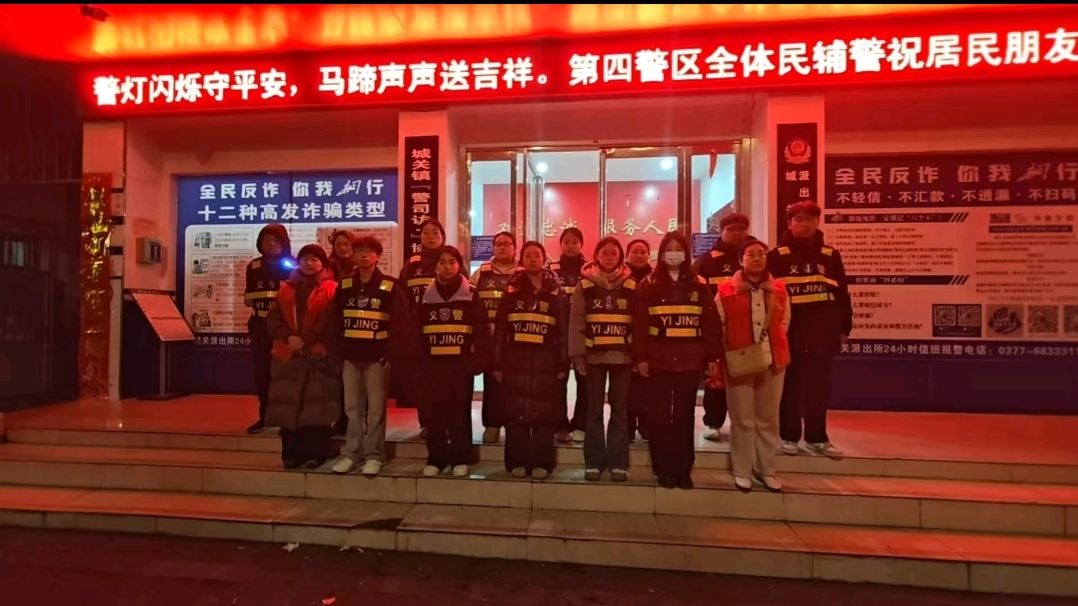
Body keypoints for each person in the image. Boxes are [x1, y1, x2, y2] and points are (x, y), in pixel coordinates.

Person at [632, 231, 723, 490]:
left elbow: (711, 324)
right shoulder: (649, 284)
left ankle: (683, 469)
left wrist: (712, 356)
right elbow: (639, 324)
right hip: (658, 361)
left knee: (684, 416)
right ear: (661, 253)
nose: (674, 253)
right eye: (669, 249)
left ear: (686, 253)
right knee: (659, 416)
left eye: (678, 248)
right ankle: (662, 467)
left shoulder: (698, 284)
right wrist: (641, 357)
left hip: (689, 361)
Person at [768, 201, 852, 459]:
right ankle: (788, 436)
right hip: (789, 332)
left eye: (810, 219)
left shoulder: (830, 255)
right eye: (799, 220)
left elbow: (842, 293)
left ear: (818, 222)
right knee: (789, 387)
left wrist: (845, 326)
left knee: (818, 388)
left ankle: (817, 438)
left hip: (822, 332)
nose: (805, 224)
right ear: (789, 224)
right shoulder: (776, 256)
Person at [712, 239, 791, 492]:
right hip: (739, 362)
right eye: (750, 254)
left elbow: (784, 321)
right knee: (742, 419)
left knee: (768, 418)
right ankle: (742, 470)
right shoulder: (726, 290)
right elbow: (718, 324)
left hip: (773, 361)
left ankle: (767, 469)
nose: (756, 258)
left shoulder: (779, 289)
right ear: (740, 260)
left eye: (761, 254)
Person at [330, 236, 410, 477]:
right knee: (352, 408)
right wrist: (338, 353)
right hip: (350, 356)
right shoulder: (345, 285)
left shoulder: (389, 286)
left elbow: (400, 323)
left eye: (369, 251)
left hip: (377, 358)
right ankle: (352, 453)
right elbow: (334, 321)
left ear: (378, 256)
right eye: (359, 251)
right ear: (353, 256)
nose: (363, 255)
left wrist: (391, 354)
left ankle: (374, 455)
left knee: (375, 409)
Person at [493, 240, 568, 480]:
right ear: (522, 260)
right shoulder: (511, 289)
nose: (532, 259)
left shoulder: (556, 291)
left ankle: (542, 462)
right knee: (516, 409)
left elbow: (563, 330)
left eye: (537, 255)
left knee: (545, 411)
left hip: (547, 360)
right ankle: (517, 461)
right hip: (516, 359)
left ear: (544, 259)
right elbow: (501, 329)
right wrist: (497, 362)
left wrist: (563, 362)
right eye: (528, 255)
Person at [414, 245, 488, 477]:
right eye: (442, 262)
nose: (447, 267)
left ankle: (460, 458)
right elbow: (416, 331)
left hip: (460, 364)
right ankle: (436, 458)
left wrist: (478, 361)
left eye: (452, 262)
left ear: (460, 265)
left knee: (459, 411)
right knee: (434, 412)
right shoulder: (425, 296)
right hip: (432, 365)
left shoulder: (471, 294)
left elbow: (482, 330)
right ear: (436, 266)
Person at [264, 244, 340, 469]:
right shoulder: (285, 288)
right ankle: (291, 453)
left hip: (317, 356)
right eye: (305, 258)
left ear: (323, 264)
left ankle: (315, 453)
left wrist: (304, 340)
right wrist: (289, 338)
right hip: (288, 356)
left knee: (317, 408)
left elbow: (330, 321)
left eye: (315, 259)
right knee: (287, 406)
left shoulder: (333, 289)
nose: (309, 263)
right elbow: (273, 319)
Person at [570, 237, 635, 482]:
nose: (609, 257)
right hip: (593, 357)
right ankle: (594, 462)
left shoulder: (631, 285)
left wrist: (638, 355)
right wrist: (578, 355)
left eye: (613, 253)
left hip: (623, 357)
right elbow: (577, 321)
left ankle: (618, 462)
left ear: (621, 256)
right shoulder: (584, 284)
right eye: (604, 252)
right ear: (596, 255)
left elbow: (638, 320)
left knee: (620, 411)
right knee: (594, 410)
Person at [694, 213, 755, 443]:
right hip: (716, 329)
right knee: (715, 378)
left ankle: (744, 423)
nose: (737, 233)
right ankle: (713, 422)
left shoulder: (757, 255)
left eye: (741, 229)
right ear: (721, 231)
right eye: (731, 229)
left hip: (750, 329)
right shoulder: (707, 260)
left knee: (746, 379)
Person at [470, 231, 522, 445]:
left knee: (517, 384)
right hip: (489, 337)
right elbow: (470, 303)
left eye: (507, 243)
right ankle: (492, 425)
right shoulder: (481, 273)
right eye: (498, 243)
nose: (502, 247)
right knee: (492, 384)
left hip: (517, 338)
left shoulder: (523, 272)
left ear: (515, 248)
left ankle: (515, 424)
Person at [398, 218, 447, 437]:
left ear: (443, 237)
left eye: (435, 232)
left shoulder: (451, 259)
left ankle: (447, 424)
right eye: (426, 232)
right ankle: (427, 424)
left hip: (446, 331)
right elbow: (401, 297)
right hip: (418, 333)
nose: (430, 236)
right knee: (422, 381)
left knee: (446, 381)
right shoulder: (412, 264)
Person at [243, 223, 295, 435]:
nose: (271, 244)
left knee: (286, 375)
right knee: (262, 374)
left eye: (275, 240)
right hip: (260, 328)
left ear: (283, 243)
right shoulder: (253, 267)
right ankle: (265, 416)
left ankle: (286, 419)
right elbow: (248, 297)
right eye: (266, 240)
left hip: (285, 330)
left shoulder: (293, 265)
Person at [549, 227, 587, 443]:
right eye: (567, 242)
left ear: (582, 245)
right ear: (560, 244)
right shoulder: (551, 270)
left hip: (583, 332)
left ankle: (581, 424)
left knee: (585, 381)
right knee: (558, 380)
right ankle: (559, 424)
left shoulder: (589, 269)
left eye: (575, 241)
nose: (570, 245)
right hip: (558, 333)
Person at [327, 230, 356, 437]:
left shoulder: (361, 268)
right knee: (335, 379)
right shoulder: (327, 268)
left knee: (353, 381)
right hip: (332, 328)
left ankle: (354, 420)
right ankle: (338, 418)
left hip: (354, 328)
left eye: (347, 244)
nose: (343, 248)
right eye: (339, 244)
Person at [624, 239, 653, 443]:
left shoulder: (655, 279)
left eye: (643, 252)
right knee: (627, 388)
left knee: (647, 387)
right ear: (627, 255)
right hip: (624, 337)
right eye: (635, 252)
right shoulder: (620, 277)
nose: (639, 255)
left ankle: (646, 426)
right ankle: (627, 428)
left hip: (649, 339)